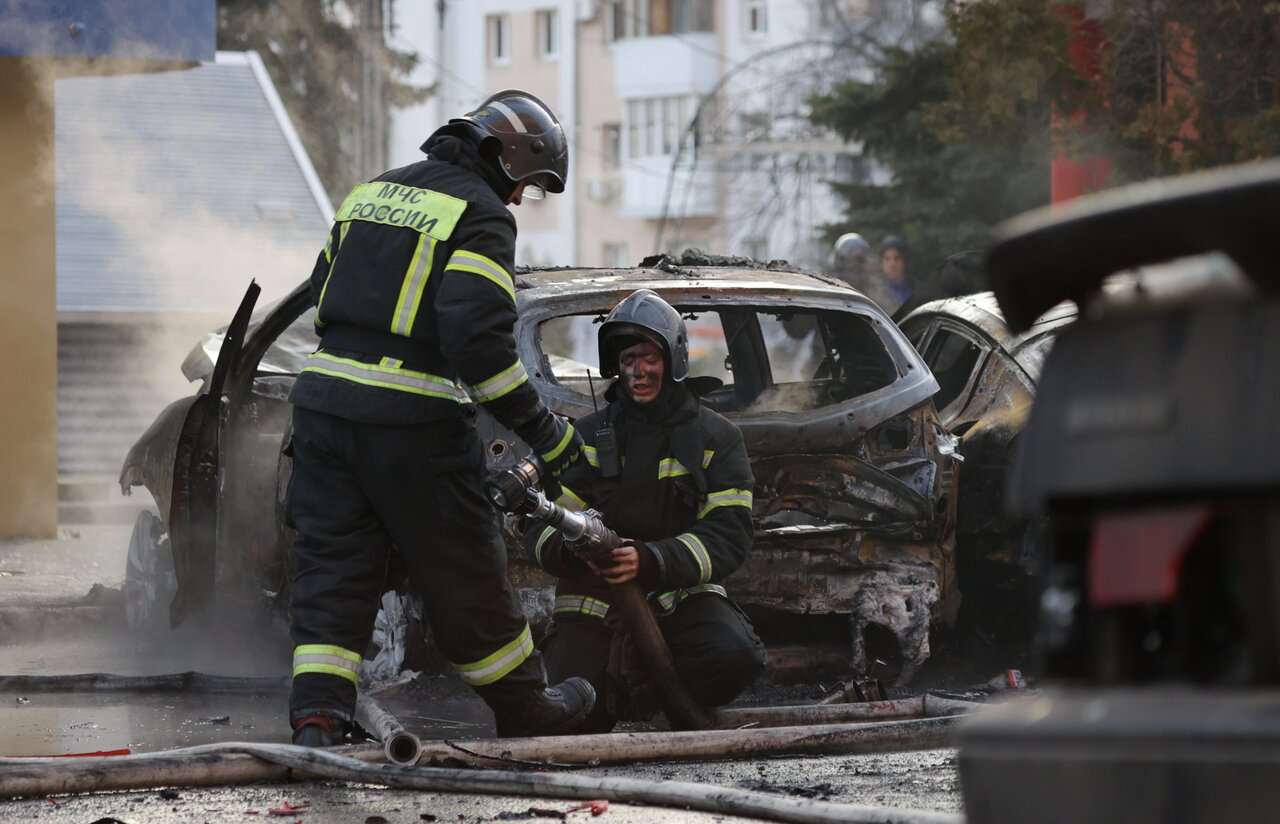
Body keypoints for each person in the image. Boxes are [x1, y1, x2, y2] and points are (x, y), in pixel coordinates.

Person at [285, 89, 594, 746]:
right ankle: (523, 707)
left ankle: (317, 718)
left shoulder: (371, 193)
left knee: (334, 572)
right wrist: (546, 432)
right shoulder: (481, 215)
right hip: (410, 423)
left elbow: (323, 294)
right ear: (507, 160)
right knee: (464, 569)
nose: (519, 201)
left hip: (321, 409)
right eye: (528, 186)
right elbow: (478, 344)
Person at [523, 289, 767, 732]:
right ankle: (611, 701)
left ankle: (679, 704)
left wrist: (651, 560)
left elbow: (729, 535)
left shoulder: (716, 438)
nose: (638, 370)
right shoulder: (587, 436)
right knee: (569, 717)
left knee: (733, 657)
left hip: (679, 600)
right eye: (628, 358)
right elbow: (540, 528)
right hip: (597, 604)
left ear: (673, 360)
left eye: (649, 358)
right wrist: (572, 550)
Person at [876, 235, 914, 314]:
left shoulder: (916, 289)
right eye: (887, 259)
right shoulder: (874, 293)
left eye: (897, 258)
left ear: (905, 260)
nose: (892, 263)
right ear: (881, 262)